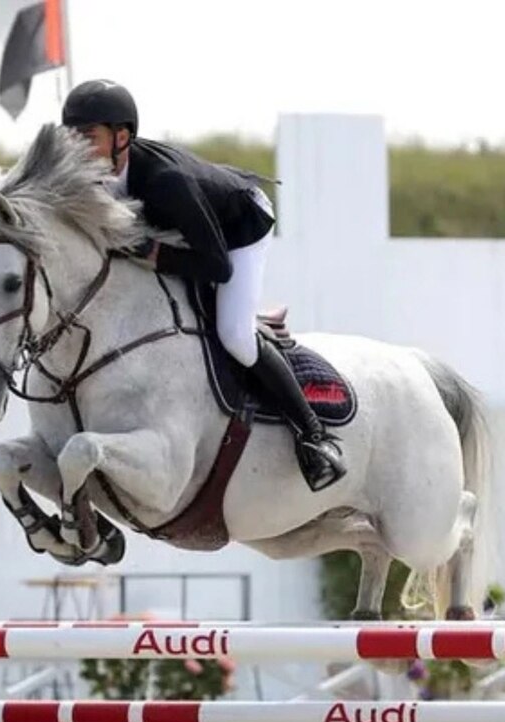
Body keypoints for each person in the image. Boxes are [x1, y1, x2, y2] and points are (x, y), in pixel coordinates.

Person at [60, 79, 346, 492]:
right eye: (71, 136)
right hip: (181, 227)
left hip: (238, 229)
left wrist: (149, 252)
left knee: (235, 336)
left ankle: (315, 437)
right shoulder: (88, 172)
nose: (76, 147)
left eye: (88, 137)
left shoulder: (166, 183)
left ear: (121, 137)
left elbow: (217, 266)